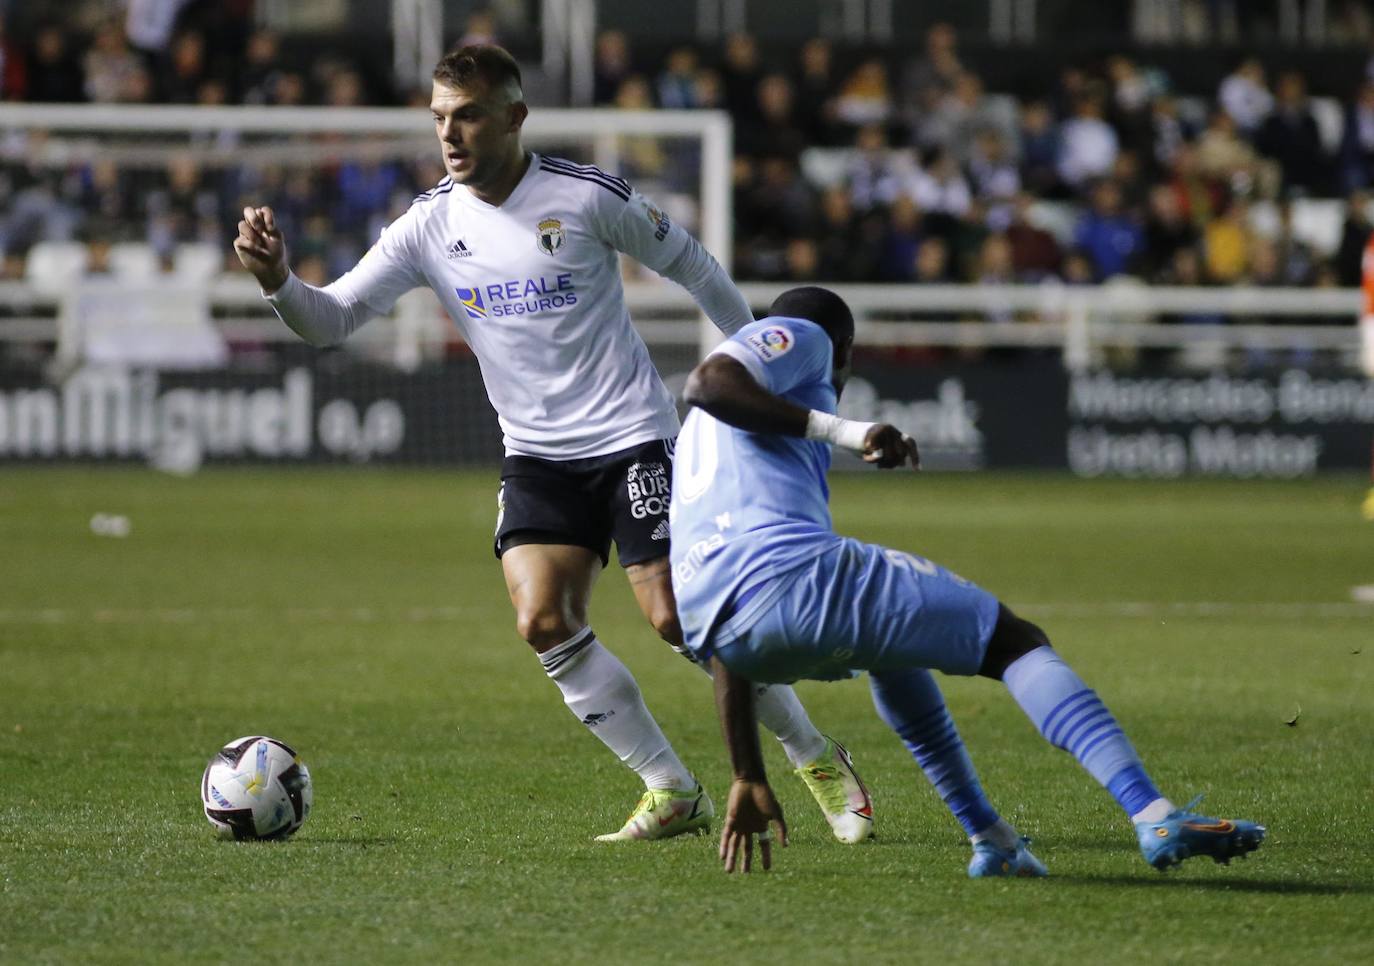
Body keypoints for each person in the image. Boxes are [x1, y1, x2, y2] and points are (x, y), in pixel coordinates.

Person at [232, 45, 872, 844]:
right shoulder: (429, 225)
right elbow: (331, 321)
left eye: (468, 116)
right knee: (542, 620)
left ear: (514, 117)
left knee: (677, 618)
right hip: (536, 455)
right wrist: (277, 281)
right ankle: (670, 787)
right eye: (439, 118)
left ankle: (814, 754)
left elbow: (695, 267)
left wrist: (756, 367)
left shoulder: (585, 196)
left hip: (633, 436)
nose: (450, 134)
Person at [667, 286, 1266, 874]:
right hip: (789, 577)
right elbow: (709, 382)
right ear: (844, 348)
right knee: (1015, 642)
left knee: (892, 647)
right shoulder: (805, 337)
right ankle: (1153, 813)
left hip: (722, 629)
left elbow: (724, 619)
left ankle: (993, 841)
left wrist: (746, 772)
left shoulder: (701, 436)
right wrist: (850, 431)